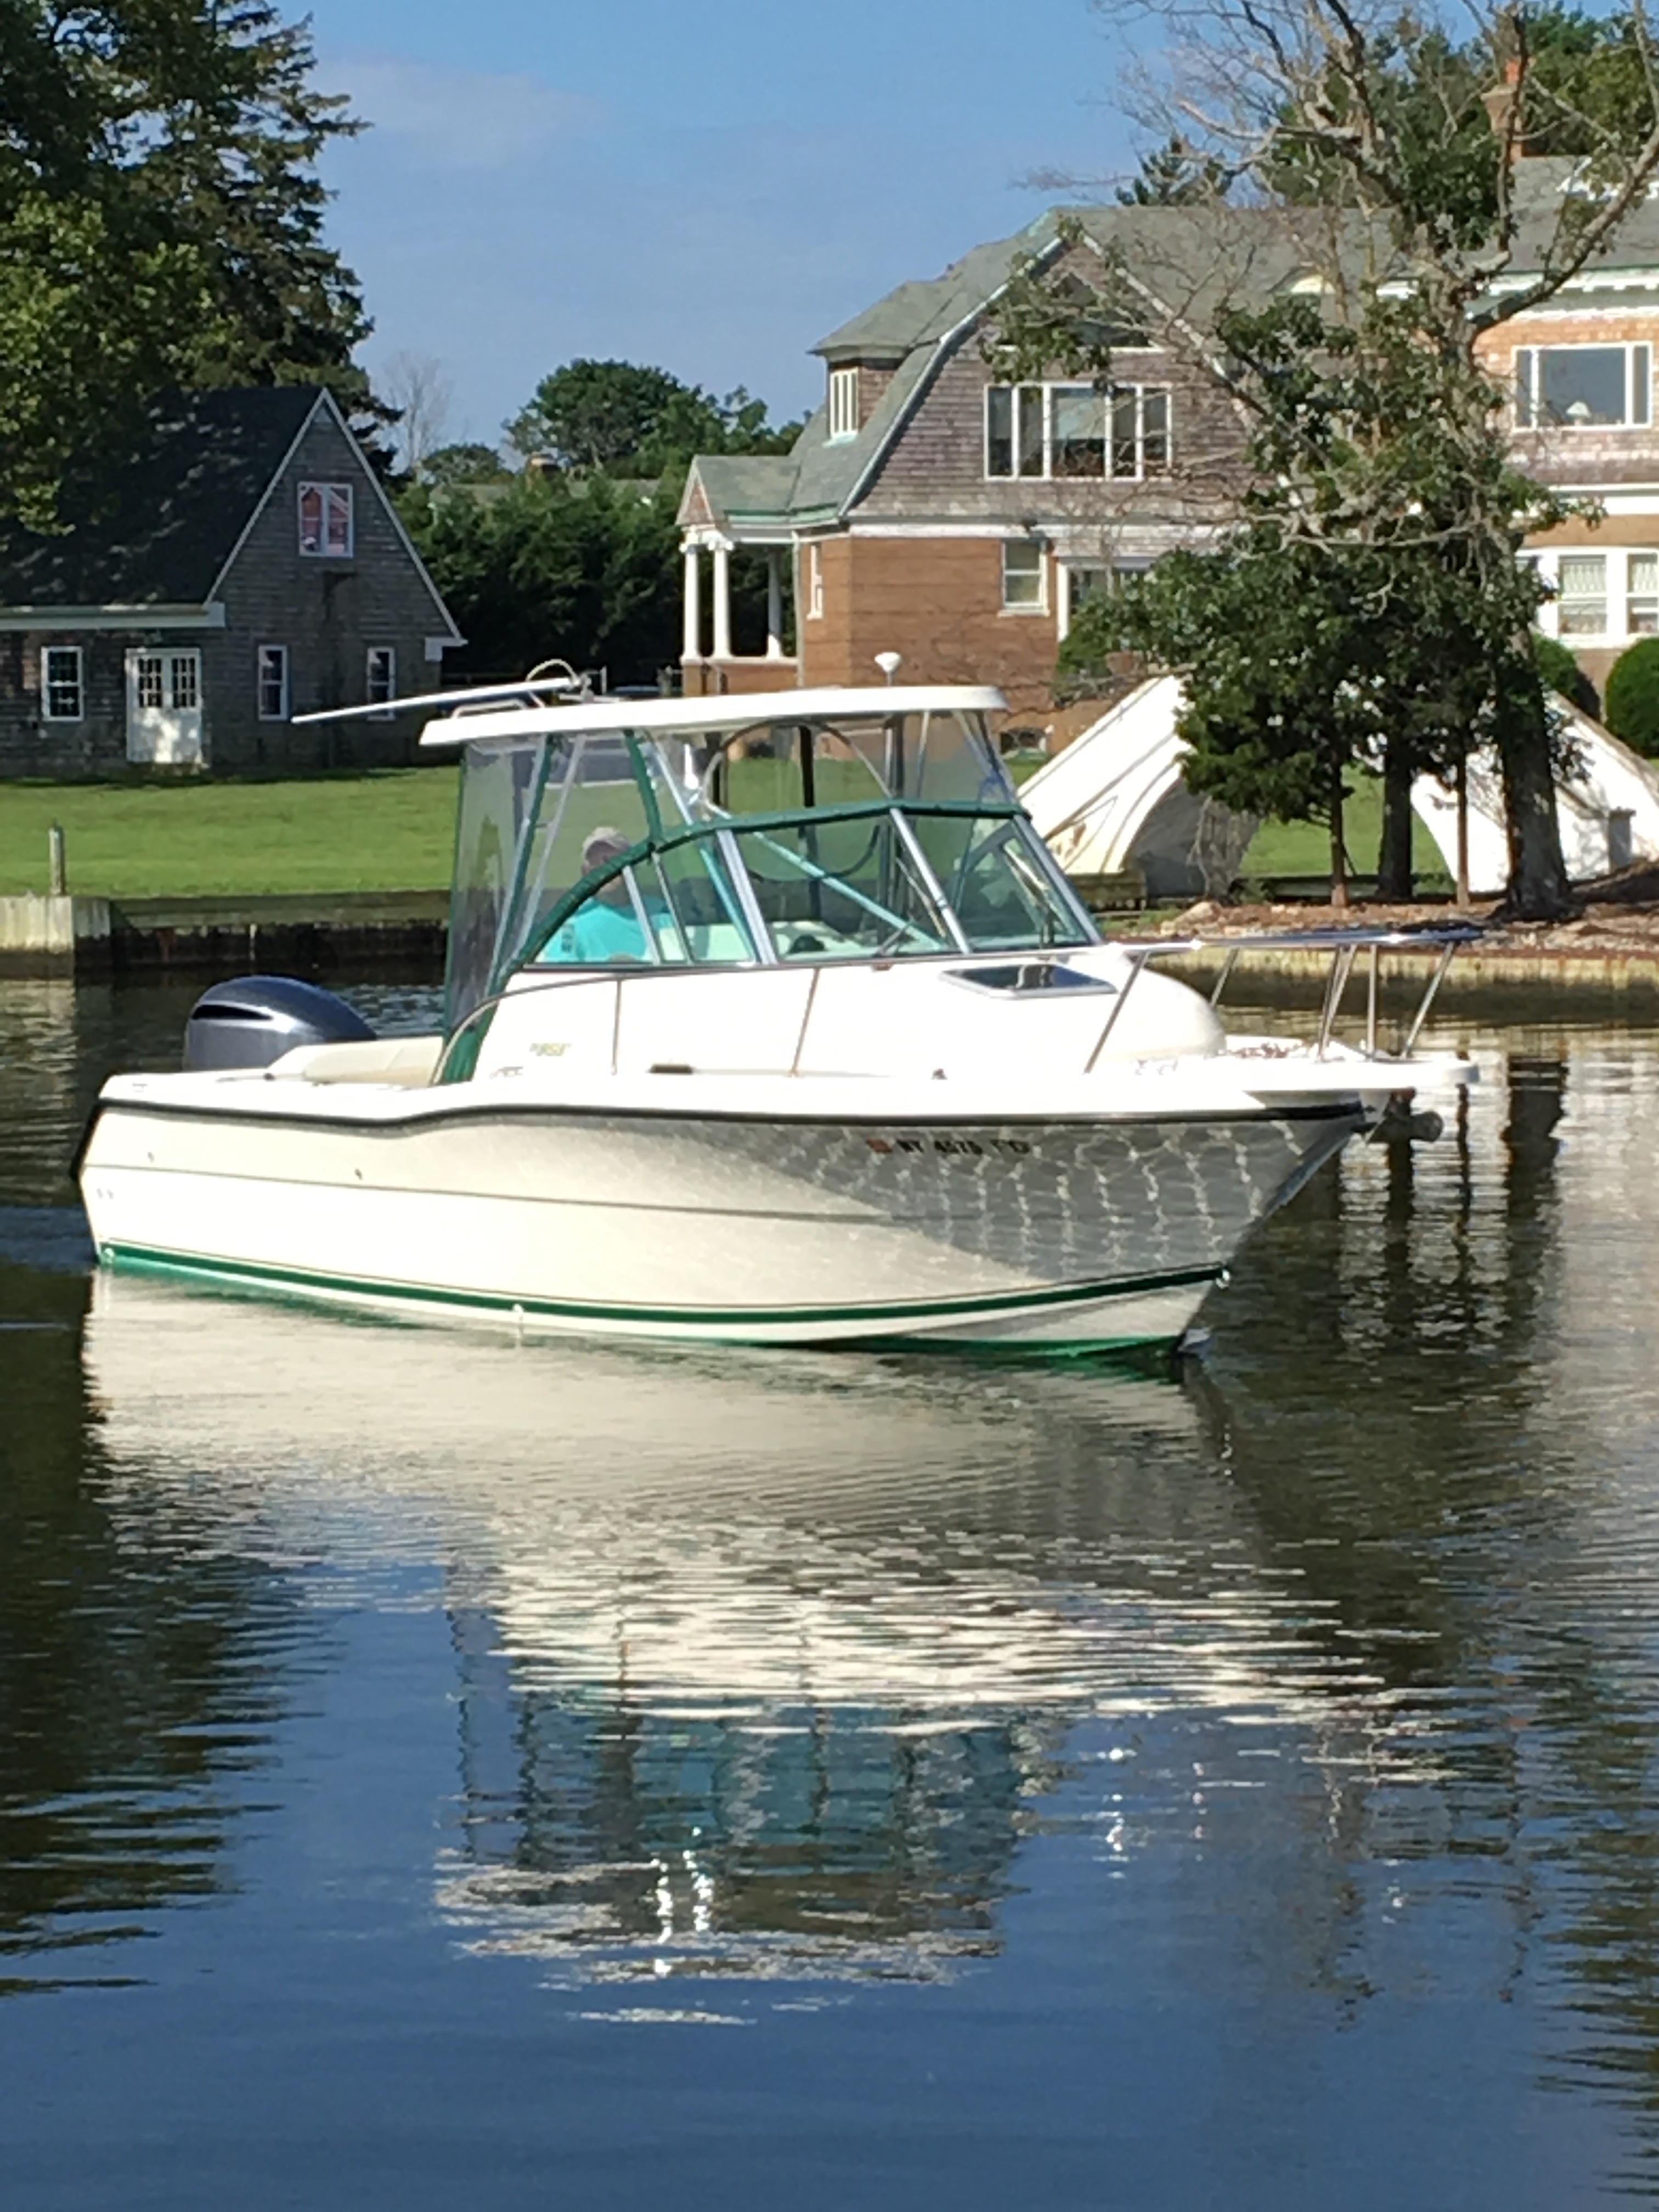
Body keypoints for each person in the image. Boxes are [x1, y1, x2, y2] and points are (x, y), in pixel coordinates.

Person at [541, 827, 656, 964]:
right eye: (594, 862)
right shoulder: (571, 924)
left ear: (631, 865)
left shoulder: (658, 914)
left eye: (611, 860)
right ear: (585, 872)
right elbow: (559, 971)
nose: (603, 869)